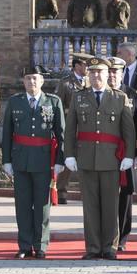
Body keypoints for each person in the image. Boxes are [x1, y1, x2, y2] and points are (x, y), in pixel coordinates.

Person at [64, 57, 134, 260]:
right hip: (86, 159)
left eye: (100, 72)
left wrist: (128, 156)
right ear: (88, 75)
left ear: (107, 75)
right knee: (90, 206)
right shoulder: (79, 97)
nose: (96, 76)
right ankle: (93, 247)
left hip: (112, 159)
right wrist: (69, 154)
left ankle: (110, 247)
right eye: (92, 72)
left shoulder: (119, 98)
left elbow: (128, 131)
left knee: (111, 206)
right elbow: (70, 130)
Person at [1, 64, 65, 259]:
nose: (32, 82)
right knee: (22, 205)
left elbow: (61, 133)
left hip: (44, 160)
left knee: (42, 206)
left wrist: (60, 160)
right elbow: (6, 134)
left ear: (42, 81)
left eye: (35, 78)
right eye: (28, 78)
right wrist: (7, 161)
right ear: (23, 81)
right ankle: (25, 245)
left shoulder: (53, 102)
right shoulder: (15, 102)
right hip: (20, 160)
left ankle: (41, 245)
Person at [107, 58, 137, 253]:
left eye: (116, 72)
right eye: (109, 72)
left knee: (126, 196)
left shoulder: (133, 95)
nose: (112, 75)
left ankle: (123, 237)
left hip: (126, 153)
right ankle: (109, 235)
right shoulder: (102, 94)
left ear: (122, 74)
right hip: (107, 152)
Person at [51, 53, 90, 205]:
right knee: (68, 158)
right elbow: (57, 105)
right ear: (77, 66)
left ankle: (87, 191)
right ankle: (61, 191)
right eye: (85, 65)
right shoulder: (66, 83)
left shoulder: (90, 81)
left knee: (87, 160)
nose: (87, 68)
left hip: (88, 127)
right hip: (70, 126)